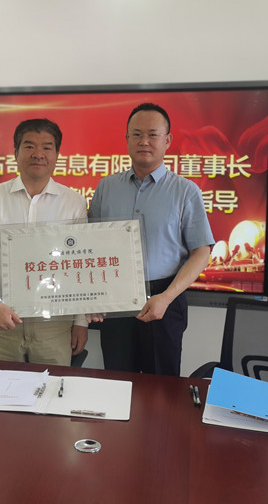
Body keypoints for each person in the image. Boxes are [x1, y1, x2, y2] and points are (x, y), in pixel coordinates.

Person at [88, 103, 214, 376]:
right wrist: (92, 297)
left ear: (167, 140)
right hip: (116, 298)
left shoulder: (185, 191)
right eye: (136, 134)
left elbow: (201, 252)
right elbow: (91, 244)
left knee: (161, 387)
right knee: (118, 381)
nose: (144, 141)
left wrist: (166, 298)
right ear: (127, 139)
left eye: (152, 135)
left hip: (165, 297)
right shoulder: (106, 187)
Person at [0, 118, 89, 366]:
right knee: (1, 387)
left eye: (47, 147)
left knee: (52, 387)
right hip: (3, 318)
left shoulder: (73, 202)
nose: (38, 154)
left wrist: (81, 321)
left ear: (57, 155)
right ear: (16, 153)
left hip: (54, 323)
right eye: (29, 146)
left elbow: (80, 265)